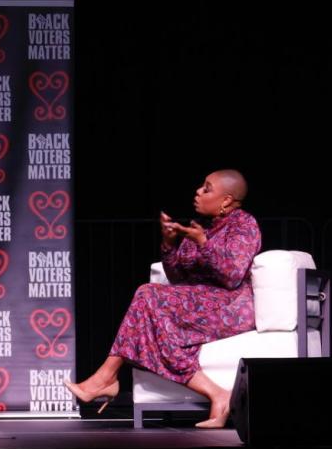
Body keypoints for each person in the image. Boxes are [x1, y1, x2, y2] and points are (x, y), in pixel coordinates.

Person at [65, 170, 260, 428]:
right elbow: (178, 279)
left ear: (226, 200)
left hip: (230, 307)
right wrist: (169, 244)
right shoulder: (202, 228)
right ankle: (218, 395)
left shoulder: (243, 225)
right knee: (150, 324)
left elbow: (232, 275)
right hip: (198, 304)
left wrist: (202, 241)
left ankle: (106, 377)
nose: (198, 192)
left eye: (207, 188)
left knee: (146, 295)